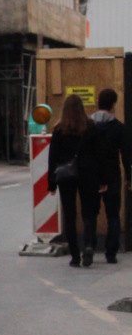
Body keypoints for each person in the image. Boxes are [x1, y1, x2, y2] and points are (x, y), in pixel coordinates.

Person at [48, 93, 108, 267]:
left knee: (70, 215)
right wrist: (103, 179)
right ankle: (88, 244)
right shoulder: (90, 127)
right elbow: (99, 155)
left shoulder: (59, 129)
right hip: (88, 174)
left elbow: (52, 158)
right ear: (82, 109)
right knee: (89, 212)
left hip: (66, 176)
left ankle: (75, 256)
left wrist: (51, 183)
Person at [92, 88, 128, 263]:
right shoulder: (119, 128)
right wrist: (129, 176)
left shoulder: (89, 126)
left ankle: (89, 246)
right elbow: (126, 154)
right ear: (113, 104)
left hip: (92, 175)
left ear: (98, 102)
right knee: (113, 214)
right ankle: (111, 253)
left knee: (91, 212)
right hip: (112, 174)